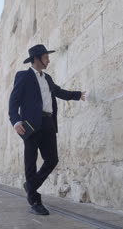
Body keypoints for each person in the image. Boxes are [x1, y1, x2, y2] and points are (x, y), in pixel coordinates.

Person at [9, 44, 86, 215]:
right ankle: (35, 200)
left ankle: (30, 185)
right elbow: (13, 102)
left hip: (48, 122)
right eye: (45, 57)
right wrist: (15, 121)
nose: (48, 60)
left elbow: (58, 92)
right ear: (36, 59)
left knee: (52, 159)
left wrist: (76, 95)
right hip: (30, 125)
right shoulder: (23, 76)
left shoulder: (48, 78)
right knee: (31, 161)